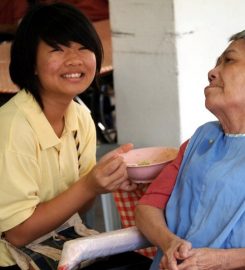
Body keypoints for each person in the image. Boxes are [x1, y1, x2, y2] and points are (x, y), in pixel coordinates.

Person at [0, 2, 136, 269]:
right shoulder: (13, 127)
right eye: (57, 49)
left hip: (59, 242)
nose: (74, 59)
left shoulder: (80, 117)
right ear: (32, 64)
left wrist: (107, 178)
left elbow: (79, 209)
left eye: (83, 47)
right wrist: (89, 185)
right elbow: (17, 234)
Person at [135, 29, 245, 270]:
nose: (212, 73)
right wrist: (171, 243)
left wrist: (221, 260)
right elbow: (147, 207)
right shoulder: (202, 138)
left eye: (229, 61)